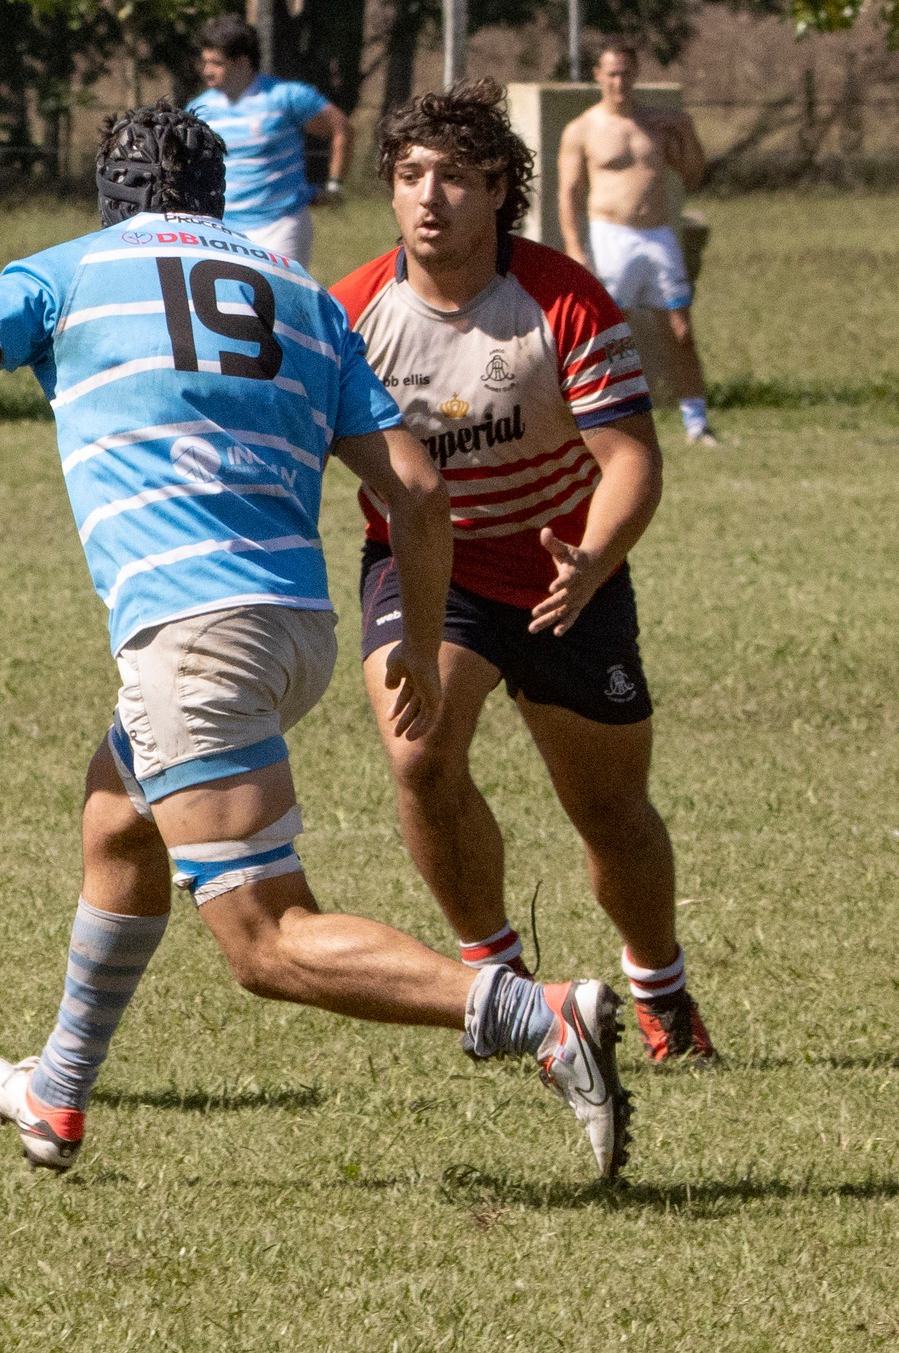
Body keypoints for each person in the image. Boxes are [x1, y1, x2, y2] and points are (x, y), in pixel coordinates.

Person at [0, 102, 634, 1181]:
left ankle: (538, 1016)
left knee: (267, 942)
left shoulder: (70, 270)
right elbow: (414, 490)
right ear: (215, 199)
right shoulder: (307, 298)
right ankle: (56, 1094)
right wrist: (406, 640)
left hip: (191, 637)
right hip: (295, 630)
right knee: (116, 817)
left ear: (109, 195)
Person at [332, 79, 714, 1065]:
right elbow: (295, 452)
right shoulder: (349, 314)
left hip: (562, 573)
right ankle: (496, 982)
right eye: (409, 175)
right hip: (427, 573)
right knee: (419, 760)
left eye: (454, 177)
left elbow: (630, 456)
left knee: (606, 809)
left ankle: (658, 987)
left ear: (499, 187)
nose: (429, 197)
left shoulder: (559, 298)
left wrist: (591, 557)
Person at [557, 42, 717, 446]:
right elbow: (568, 194)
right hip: (611, 236)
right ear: (597, 75)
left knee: (681, 332)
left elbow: (692, 176)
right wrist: (577, 248)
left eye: (626, 73)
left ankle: (696, 424)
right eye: (611, 73)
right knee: (606, 335)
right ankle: (594, 422)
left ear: (636, 74)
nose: (619, 82)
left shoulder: (656, 123)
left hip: (658, 235)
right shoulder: (582, 129)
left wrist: (688, 133)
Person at [184, 14, 351, 268]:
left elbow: (342, 129)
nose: (207, 71)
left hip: (280, 226)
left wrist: (334, 184)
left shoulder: (286, 97)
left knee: (279, 306)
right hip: (221, 229)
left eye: (216, 63)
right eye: (205, 62)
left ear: (242, 63)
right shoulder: (199, 108)